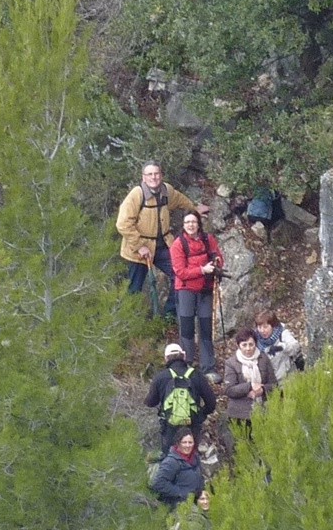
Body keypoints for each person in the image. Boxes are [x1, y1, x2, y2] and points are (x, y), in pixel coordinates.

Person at [117, 163, 207, 300]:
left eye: (156, 173)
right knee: (133, 289)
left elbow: (179, 200)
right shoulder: (137, 194)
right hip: (138, 250)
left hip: (163, 245)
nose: (153, 177)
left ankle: (170, 312)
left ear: (161, 175)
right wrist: (140, 246)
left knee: (179, 275)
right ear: (144, 177)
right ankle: (131, 313)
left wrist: (194, 209)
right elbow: (123, 224)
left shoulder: (166, 190)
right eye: (150, 174)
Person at [169, 211, 223, 377]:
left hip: (205, 290)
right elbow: (180, 272)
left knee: (206, 328)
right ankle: (186, 366)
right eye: (187, 222)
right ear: (183, 225)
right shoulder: (178, 245)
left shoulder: (208, 239)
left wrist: (217, 262)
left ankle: (208, 368)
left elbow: (218, 255)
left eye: (193, 222)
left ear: (198, 224)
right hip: (185, 291)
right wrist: (202, 270)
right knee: (187, 329)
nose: (190, 225)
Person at [145, 342, 218, 451]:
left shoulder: (160, 377)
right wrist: (200, 414)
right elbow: (211, 402)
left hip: (169, 428)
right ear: (184, 356)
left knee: (170, 456)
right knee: (190, 455)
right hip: (192, 426)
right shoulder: (196, 375)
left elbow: (150, 402)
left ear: (166, 358)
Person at [222, 328, 277, 432]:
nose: (248, 348)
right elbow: (229, 390)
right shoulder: (231, 363)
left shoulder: (263, 359)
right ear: (238, 345)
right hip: (239, 414)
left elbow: (274, 385)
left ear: (256, 344)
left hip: (263, 411)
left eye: (251, 344)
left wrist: (262, 390)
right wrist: (250, 386)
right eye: (244, 345)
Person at [151, 429, 210, 510]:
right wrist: (181, 493)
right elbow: (159, 483)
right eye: (184, 442)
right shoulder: (171, 462)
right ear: (178, 443)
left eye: (190, 442)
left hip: (195, 501)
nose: (188, 445)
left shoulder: (195, 457)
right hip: (178, 506)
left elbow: (199, 478)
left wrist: (202, 490)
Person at [253, 309, 304, 382]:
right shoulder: (254, 338)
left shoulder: (282, 334)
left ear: (273, 326)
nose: (262, 330)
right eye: (259, 327)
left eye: (265, 327)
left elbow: (295, 347)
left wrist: (281, 347)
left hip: (287, 378)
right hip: (267, 381)